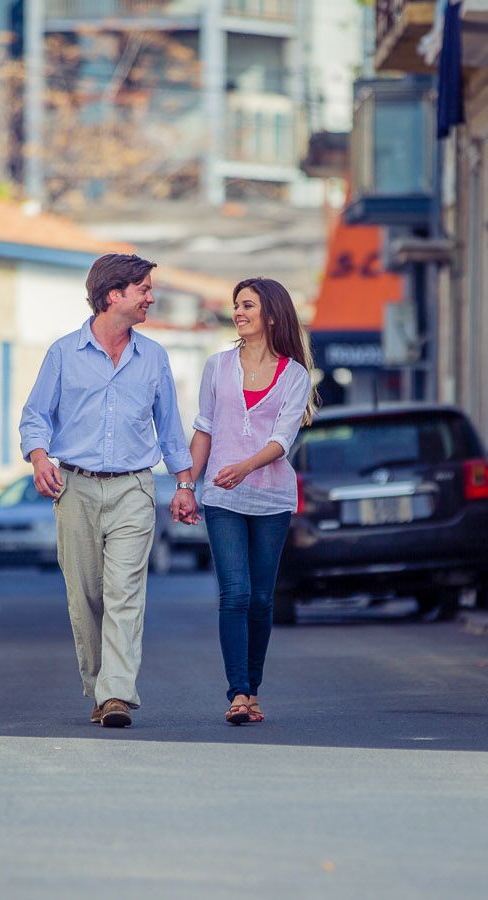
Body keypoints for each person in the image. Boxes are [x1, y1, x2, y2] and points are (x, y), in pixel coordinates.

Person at [19, 253, 199, 728]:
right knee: (85, 597)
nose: (151, 298)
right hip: (74, 487)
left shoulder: (154, 357)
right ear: (113, 295)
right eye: (143, 289)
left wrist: (184, 485)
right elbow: (36, 415)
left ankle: (117, 694)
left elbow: (171, 430)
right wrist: (39, 457)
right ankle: (99, 687)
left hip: (134, 489)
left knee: (124, 593)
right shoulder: (62, 353)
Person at [188, 277, 315, 725]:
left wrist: (244, 467)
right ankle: (238, 693)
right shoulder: (217, 366)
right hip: (221, 497)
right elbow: (204, 428)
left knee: (261, 598)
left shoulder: (295, 375)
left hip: (271, 498)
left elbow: (282, 440)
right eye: (236, 305)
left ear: (272, 315)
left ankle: (253, 689)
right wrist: (188, 485)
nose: (238, 312)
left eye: (248, 306)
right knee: (235, 593)